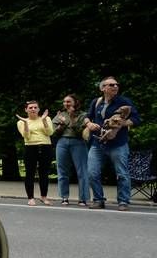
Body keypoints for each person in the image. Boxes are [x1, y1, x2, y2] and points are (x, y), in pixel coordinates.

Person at [85, 76, 141, 210]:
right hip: (97, 143)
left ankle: (123, 202)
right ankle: (98, 200)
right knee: (92, 172)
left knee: (122, 173)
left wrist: (122, 123)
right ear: (103, 88)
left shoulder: (124, 101)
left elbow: (136, 119)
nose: (115, 86)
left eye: (116, 84)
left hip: (118, 143)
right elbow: (88, 116)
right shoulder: (97, 102)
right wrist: (89, 123)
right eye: (111, 85)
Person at [52, 94, 89, 206]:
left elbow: (80, 132)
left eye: (68, 101)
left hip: (78, 142)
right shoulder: (60, 115)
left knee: (82, 171)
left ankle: (83, 198)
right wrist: (60, 126)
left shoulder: (83, 115)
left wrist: (72, 118)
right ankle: (64, 197)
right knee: (62, 171)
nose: (66, 104)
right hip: (62, 143)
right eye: (64, 102)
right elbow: (53, 133)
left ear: (75, 102)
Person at [16, 101, 54, 206]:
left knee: (44, 173)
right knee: (30, 173)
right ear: (26, 110)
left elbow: (50, 133)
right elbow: (26, 136)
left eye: (35, 107)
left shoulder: (46, 118)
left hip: (45, 147)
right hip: (30, 147)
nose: (33, 109)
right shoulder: (21, 122)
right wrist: (26, 123)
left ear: (38, 109)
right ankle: (30, 197)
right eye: (30, 107)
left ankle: (43, 196)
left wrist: (44, 120)